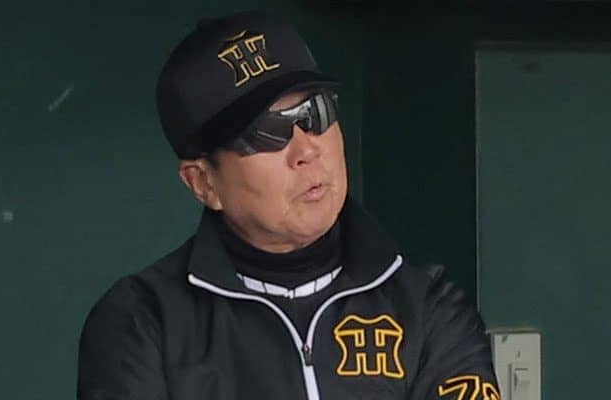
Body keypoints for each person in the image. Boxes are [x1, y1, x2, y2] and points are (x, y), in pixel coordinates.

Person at [77, 10, 499, 400]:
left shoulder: (429, 307)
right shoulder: (142, 320)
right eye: (265, 132)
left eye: (315, 112)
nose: (306, 149)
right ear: (204, 182)